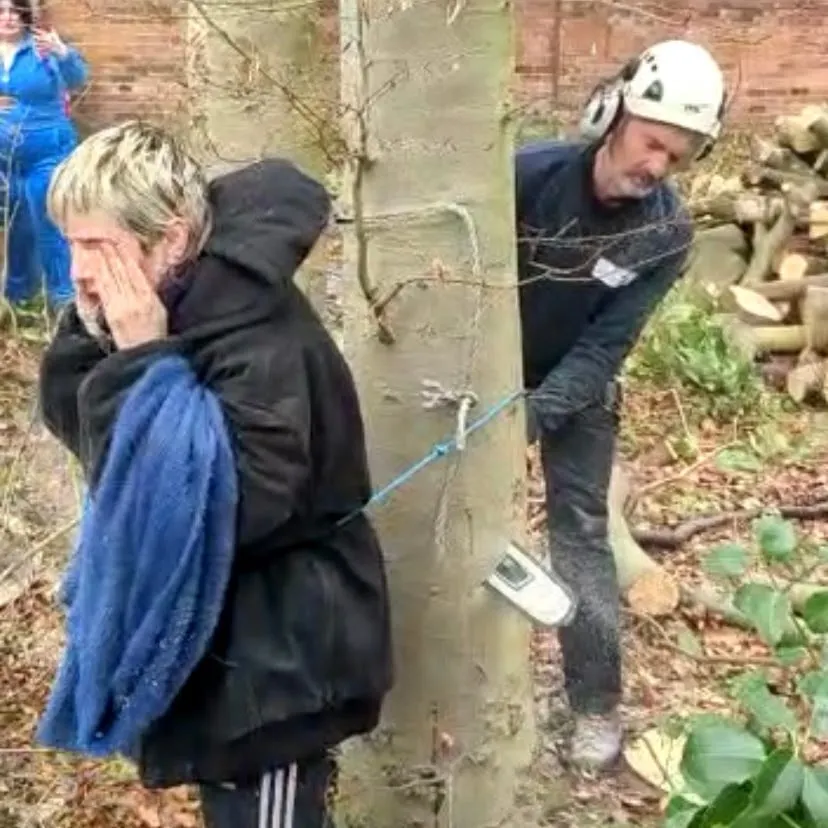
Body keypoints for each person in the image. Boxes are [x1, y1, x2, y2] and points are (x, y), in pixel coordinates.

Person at [37, 121, 393, 827]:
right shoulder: (164, 309)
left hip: (284, 658)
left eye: (98, 247)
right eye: (70, 243)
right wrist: (104, 335)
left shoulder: (261, 338)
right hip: (225, 650)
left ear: (170, 239)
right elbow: (95, 440)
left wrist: (144, 359)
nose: (78, 270)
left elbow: (225, 506)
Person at [516, 40, 725, 770]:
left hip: (579, 385)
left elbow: (606, 347)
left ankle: (596, 707)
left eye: (679, 155)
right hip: (487, 368)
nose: (657, 166)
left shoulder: (664, 233)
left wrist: (533, 417)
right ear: (613, 113)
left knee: (580, 536)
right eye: (652, 142)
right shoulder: (527, 177)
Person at [0, 0, 87, 309]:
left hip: (47, 153)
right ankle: (18, 296)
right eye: (1, 11)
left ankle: (64, 299)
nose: (8, 18)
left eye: (15, 11)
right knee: (14, 226)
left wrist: (62, 53)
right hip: (5, 161)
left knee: (50, 222)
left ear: (25, 16)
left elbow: (77, 77)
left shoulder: (42, 47)